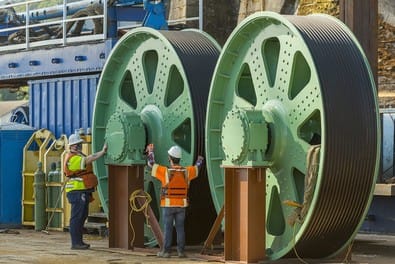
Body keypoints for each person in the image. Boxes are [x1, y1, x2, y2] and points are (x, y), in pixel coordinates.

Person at [146, 144, 204, 258]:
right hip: (181, 205)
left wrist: (150, 152)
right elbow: (197, 169)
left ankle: (166, 252)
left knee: (168, 229)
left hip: (168, 206)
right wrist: (200, 159)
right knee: (180, 228)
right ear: (179, 159)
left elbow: (151, 164)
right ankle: (181, 252)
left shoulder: (165, 172)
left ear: (170, 158)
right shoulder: (186, 172)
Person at [64, 133, 107, 250]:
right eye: (77, 145)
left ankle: (79, 242)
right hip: (77, 191)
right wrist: (102, 152)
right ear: (71, 146)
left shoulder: (77, 156)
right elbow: (90, 159)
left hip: (82, 191)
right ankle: (76, 243)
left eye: (80, 144)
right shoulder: (73, 159)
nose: (79, 146)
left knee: (82, 216)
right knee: (77, 217)